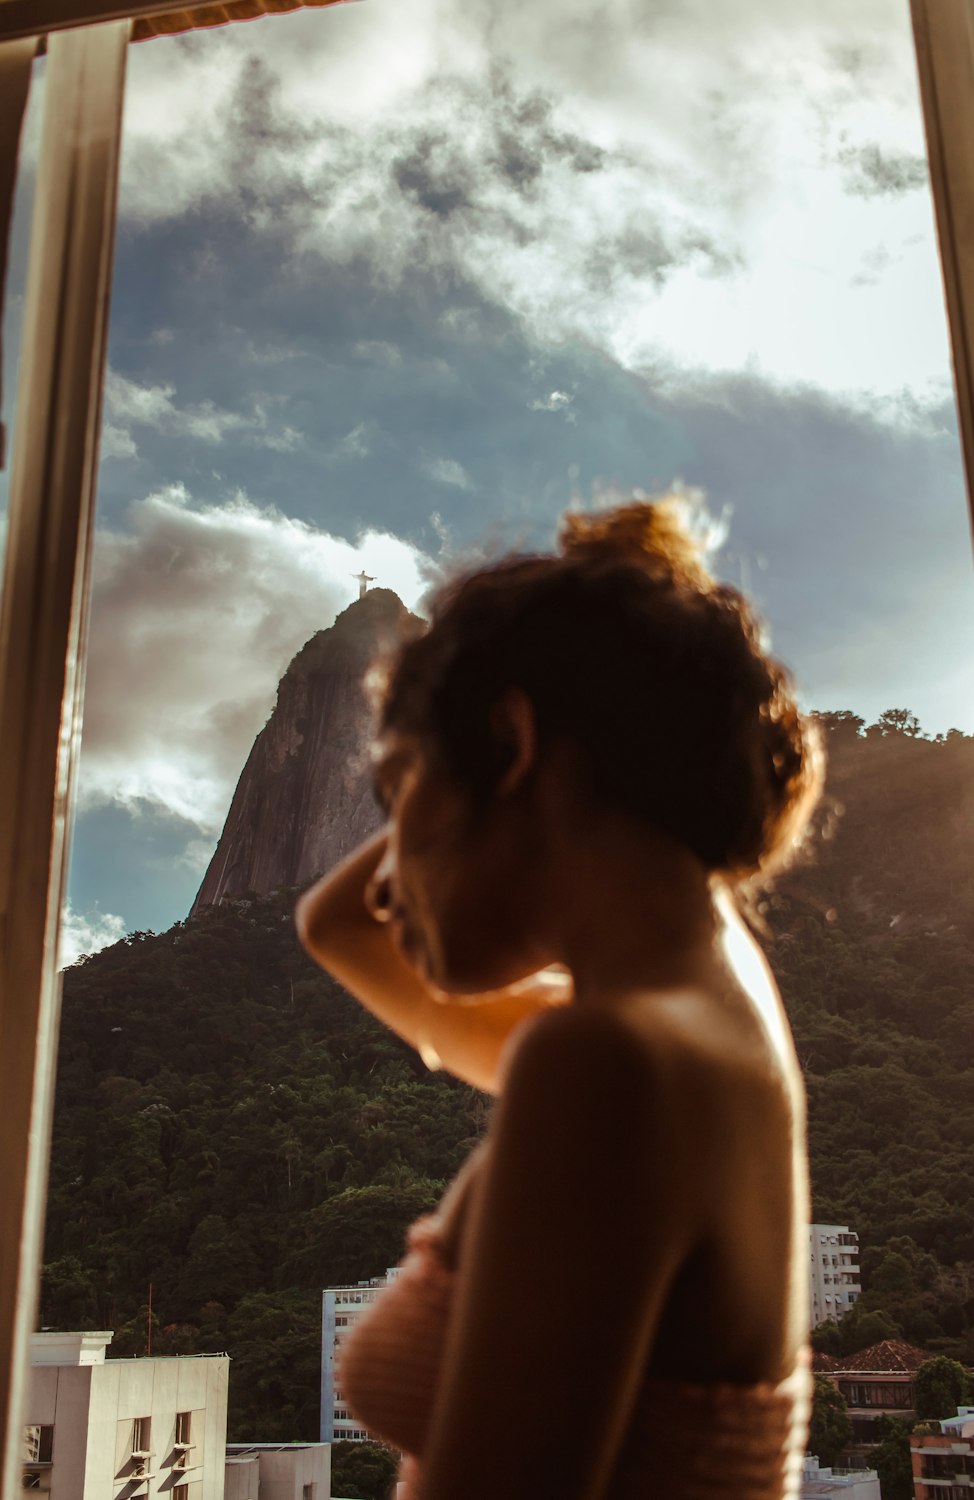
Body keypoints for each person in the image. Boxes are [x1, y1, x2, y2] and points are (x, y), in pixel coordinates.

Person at [297, 497, 824, 1500]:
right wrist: (479, 735)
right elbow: (337, 926)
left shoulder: (609, 1065)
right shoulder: (697, 1024)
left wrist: (484, 711)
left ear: (512, 743)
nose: (382, 871)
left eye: (398, 789)